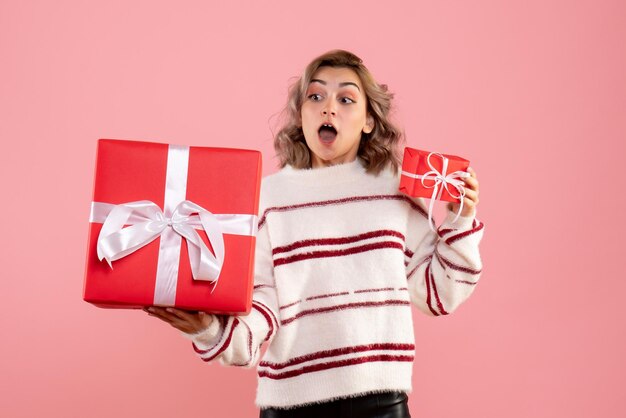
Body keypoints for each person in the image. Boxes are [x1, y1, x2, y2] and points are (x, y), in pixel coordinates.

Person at [144, 49, 484, 418]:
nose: (329, 108)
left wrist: (460, 217)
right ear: (301, 114)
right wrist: (208, 330)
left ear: (369, 120)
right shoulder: (267, 199)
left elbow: (439, 294)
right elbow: (262, 311)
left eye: (346, 99)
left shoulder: (394, 191)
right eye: (316, 96)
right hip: (290, 407)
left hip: (380, 405)